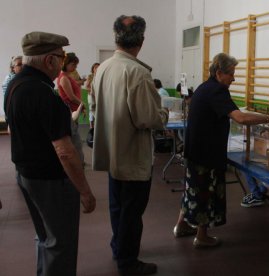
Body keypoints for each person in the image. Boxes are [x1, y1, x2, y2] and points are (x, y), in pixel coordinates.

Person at [5, 31, 96, 276]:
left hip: (26, 175)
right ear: (49, 60)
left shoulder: (15, 86)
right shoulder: (44, 93)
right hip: (50, 181)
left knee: (44, 237)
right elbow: (64, 151)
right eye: (60, 56)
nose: (62, 61)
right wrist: (85, 191)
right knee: (61, 243)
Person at [173, 52, 269, 248]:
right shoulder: (218, 91)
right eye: (231, 74)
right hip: (205, 154)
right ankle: (201, 236)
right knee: (205, 193)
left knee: (192, 189)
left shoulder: (203, 87)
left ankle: (181, 226)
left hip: (195, 150)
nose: (234, 78)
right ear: (219, 73)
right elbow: (240, 118)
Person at [92, 15, 169, 276]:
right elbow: (147, 118)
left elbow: (94, 107)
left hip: (113, 153)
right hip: (133, 156)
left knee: (117, 207)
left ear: (116, 37)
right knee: (132, 213)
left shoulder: (102, 68)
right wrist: (165, 115)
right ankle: (128, 262)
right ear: (142, 40)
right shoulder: (137, 72)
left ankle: (118, 247)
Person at [57, 52, 85, 163]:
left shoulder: (68, 76)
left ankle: (75, 161)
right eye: (73, 64)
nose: (75, 67)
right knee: (73, 138)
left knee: (74, 135)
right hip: (69, 110)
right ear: (66, 63)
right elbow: (71, 97)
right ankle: (75, 162)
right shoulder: (63, 77)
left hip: (73, 109)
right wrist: (82, 104)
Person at [85, 62, 100, 128]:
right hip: (91, 96)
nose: (97, 69)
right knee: (92, 110)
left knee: (98, 111)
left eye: (98, 67)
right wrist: (92, 92)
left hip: (99, 96)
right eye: (96, 67)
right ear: (93, 69)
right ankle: (92, 127)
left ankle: (97, 127)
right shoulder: (90, 76)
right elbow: (86, 87)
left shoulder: (100, 75)